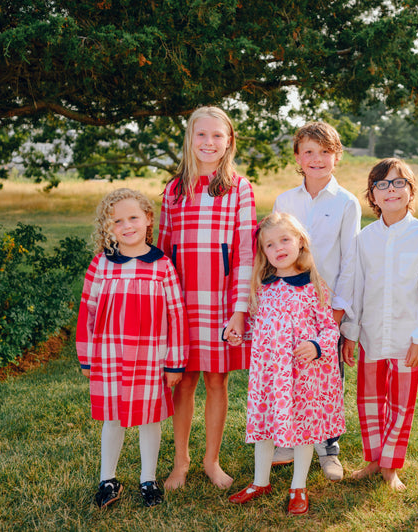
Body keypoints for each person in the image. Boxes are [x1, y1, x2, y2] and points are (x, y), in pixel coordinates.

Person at [158, 106, 257, 490]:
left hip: (221, 303)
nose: (209, 142)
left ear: (228, 141)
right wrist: (165, 309)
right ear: (190, 138)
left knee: (217, 381)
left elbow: (246, 252)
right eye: (201, 135)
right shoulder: (174, 189)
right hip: (182, 304)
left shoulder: (239, 188)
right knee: (183, 382)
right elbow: (164, 253)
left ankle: (211, 461)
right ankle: (180, 462)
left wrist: (239, 312)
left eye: (218, 135)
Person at [76, 188, 188, 508]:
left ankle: (147, 479)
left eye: (133, 217)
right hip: (110, 355)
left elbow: (176, 315)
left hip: (151, 357)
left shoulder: (162, 266)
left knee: (149, 419)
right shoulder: (102, 265)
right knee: (112, 418)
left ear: (148, 219)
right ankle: (107, 479)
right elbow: (88, 311)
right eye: (117, 221)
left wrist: (175, 362)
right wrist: (86, 357)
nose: (127, 225)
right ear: (107, 227)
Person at [228, 212, 344, 515]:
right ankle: (260, 481)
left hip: (302, 375)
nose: (278, 248)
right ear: (263, 252)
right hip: (268, 375)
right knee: (264, 428)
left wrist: (317, 345)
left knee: (303, 430)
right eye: (270, 244)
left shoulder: (313, 285)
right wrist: (239, 334)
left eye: (285, 239)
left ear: (300, 242)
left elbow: (330, 328)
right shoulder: (263, 286)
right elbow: (261, 326)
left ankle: (298, 486)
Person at [341, 158, 418, 492]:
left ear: (411, 191)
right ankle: (373, 459)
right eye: (382, 184)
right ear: (373, 195)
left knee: (400, 402)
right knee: (369, 400)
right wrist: (351, 334)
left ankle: (391, 465)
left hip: (406, 335)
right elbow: (356, 288)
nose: (391, 190)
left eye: (399, 183)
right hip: (370, 333)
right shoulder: (364, 238)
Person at [271, 121, 360, 481]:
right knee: (292, 370)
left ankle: (328, 447)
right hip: (290, 303)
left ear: (336, 156)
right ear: (297, 156)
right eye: (309, 151)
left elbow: (351, 258)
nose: (317, 159)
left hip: (326, 306)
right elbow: (275, 248)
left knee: (327, 375)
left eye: (325, 152)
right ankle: (290, 440)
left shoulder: (346, 202)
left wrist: (338, 309)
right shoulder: (285, 200)